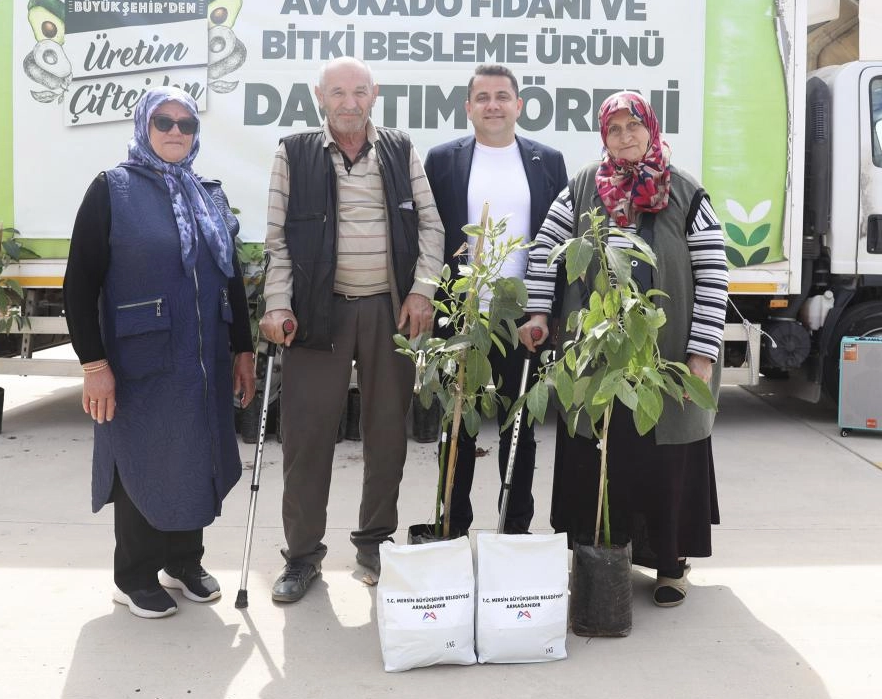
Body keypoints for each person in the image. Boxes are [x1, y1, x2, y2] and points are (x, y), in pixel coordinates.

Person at [519, 90, 728, 608]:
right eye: (613, 129)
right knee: (597, 446)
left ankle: (669, 564)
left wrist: (702, 352)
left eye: (633, 126)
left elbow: (714, 272)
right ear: (603, 136)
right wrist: (540, 313)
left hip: (670, 351)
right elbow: (548, 251)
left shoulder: (685, 192)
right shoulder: (583, 187)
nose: (625, 136)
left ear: (650, 129)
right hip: (596, 351)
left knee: (665, 451)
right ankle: (594, 553)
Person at [63, 87, 255, 619]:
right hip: (137, 360)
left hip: (202, 358)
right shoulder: (112, 190)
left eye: (186, 123)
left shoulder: (207, 194)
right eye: (164, 121)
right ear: (144, 125)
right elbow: (78, 285)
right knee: (144, 457)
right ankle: (135, 574)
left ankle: (183, 562)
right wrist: (94, 365)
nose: (176, 131)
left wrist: (243, 348)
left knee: (195, 451)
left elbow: (231, 278)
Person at [260, 56, 444, 602]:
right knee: (306, 439)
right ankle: (301, 557)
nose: (348, 102)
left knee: (388, 436)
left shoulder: (399, 148)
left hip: (390, 313)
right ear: (319, 95)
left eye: (358, 91)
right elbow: (277, 241)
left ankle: (373, 544)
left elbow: (431, 224)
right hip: (318, 313)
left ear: (374, 94)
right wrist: (277, 303)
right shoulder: (293, 153)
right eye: (337, 92)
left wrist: (422, 289)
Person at [423, 64, 567, 534]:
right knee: (456, 428)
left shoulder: (548, 161)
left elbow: (556, 243)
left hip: (522, 319)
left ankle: (515, 532)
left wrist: (544, 310)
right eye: (482, 97)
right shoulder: (442, 160)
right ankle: (451, 528)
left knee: (518, 432)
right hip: (458, 316)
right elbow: (428, 233)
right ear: (468, 108)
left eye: (502, 96)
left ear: (519, 105)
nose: (492, 105)